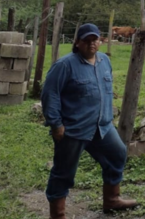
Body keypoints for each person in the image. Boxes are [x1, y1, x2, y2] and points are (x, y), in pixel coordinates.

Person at [41, 23, 137, 219]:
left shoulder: (104, 61)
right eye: (87, 40)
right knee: (63, 172)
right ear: (77, 43)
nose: (92, 44)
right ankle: (57, 215)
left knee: (118, 154)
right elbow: (50, 95)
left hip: (102, 126)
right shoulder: (64, 65)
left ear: (100, 41)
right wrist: (56, 124)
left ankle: (112, 200)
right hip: (73, 129)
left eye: (95, 40)